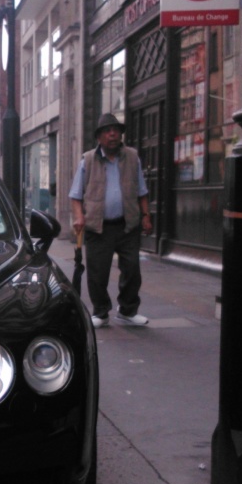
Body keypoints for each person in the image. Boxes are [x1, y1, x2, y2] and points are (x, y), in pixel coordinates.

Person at [69, 112, 153, 328]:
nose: (113, 134)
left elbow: (142, 191)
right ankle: (100, 311)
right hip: (98, 227)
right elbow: (76, 196)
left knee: (132, 269)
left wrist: (146, 216)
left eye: (116, 130)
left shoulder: (132, 157)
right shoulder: (87, 160)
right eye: (107, 131)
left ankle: (127, 310)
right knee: (98, 272)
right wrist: (79, 217)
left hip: (127, 225)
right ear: (99, 137)